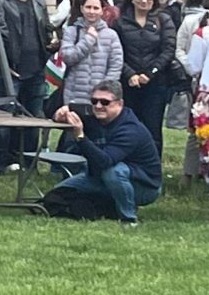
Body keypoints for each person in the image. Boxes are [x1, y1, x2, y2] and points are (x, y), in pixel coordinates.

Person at [46, 82, 162, 223]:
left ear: (120, 103)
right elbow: (75, 109)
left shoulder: (130, 129)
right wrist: (62, 112)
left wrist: (80, 136)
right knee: (59, 191)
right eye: (94, 101)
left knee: (113, 171)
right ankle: (108, 207)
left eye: (105, 102)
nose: (98, 106)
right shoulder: (95, 116)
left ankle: (128, 218)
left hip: (144, 186)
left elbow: (104, 162)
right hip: (101, 177)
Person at [0, 0, 53, 170]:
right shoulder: (1, 3)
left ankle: (28, 162)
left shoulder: (39, 3)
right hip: (11, 68)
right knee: (6, 116)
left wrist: (51, 44)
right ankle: (2, 161)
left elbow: (45, 30)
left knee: (33, 116)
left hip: (36, 68)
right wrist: (3, 64)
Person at [112, 0, 177, 154]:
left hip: (156, 83)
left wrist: (150, 73)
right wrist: (129, 74)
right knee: (128, 127)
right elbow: (116, 52)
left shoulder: (164, 20)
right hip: (128, 83)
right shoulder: (120, 22)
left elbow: (168, 50)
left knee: (153, 129)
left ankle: (152, 166)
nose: (144, 0)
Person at [60, 0, 125, 127]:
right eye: (88, 7)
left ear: (102, 11)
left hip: (100, 98)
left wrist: (104, 90)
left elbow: (116, 65)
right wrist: (88, 39)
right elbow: (68, 57)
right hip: (74, 94)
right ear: (82, 8)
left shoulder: (111, 35)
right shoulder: (71, 32)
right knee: (73, 132)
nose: (92, 11)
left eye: (96, 8)